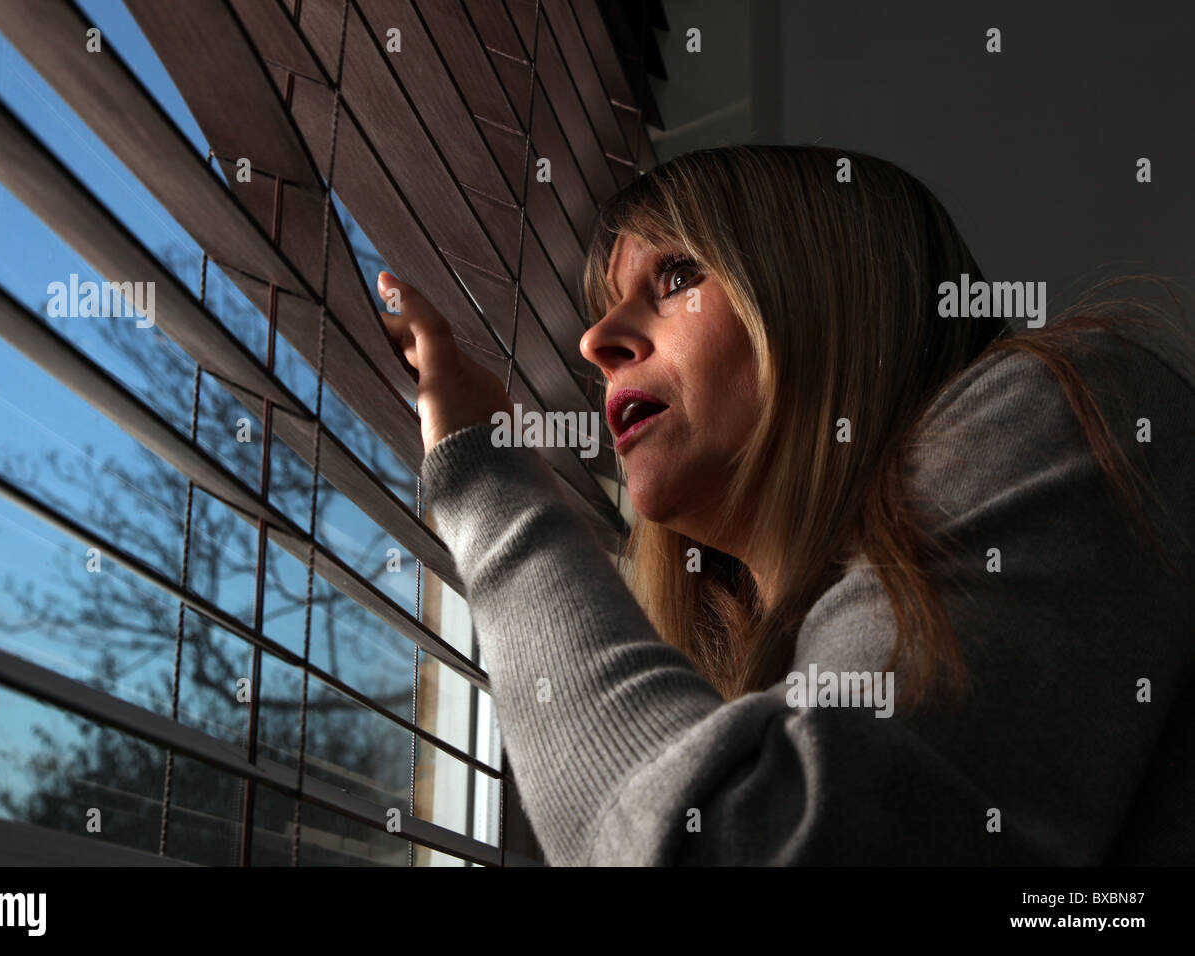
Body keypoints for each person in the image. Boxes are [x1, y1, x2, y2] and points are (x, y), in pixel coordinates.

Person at [376, 144, 1195, 865]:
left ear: (835, 291)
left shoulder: (1070, 408)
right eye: (602, 306)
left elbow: (759, 847)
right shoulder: (757, 671)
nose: (596, 343)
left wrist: (484, 484)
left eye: (678, 275)